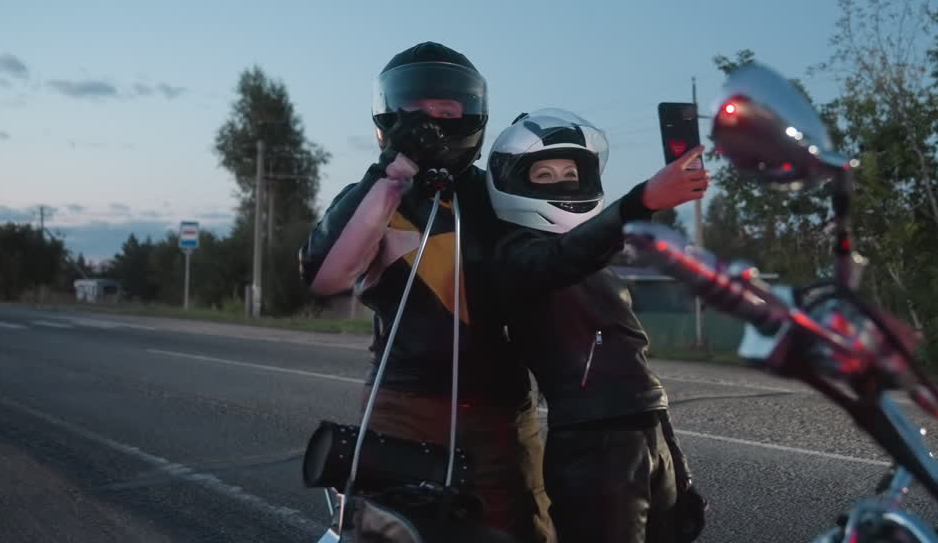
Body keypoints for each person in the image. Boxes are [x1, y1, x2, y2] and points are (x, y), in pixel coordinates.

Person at [298, 42, 553, 543]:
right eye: (415, 111)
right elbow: (325, 275)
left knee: (521, 529)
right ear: (389, 117)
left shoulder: (504, 197)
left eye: (446, 111)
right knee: (395, 529)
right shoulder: (376, 196)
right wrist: (395, 176)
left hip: (504, 414)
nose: (430, 122)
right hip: (405, 406)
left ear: (472, 117)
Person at [485, 108, 711, 543]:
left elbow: (637, 374)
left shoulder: (592, 256)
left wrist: (677, 469)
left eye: (570, 171)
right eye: (545, 175)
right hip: (592, 448)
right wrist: (641, 199)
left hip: (649, 430)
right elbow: (561, 259)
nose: (563, 182)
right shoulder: (515, 256)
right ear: (515, 182)